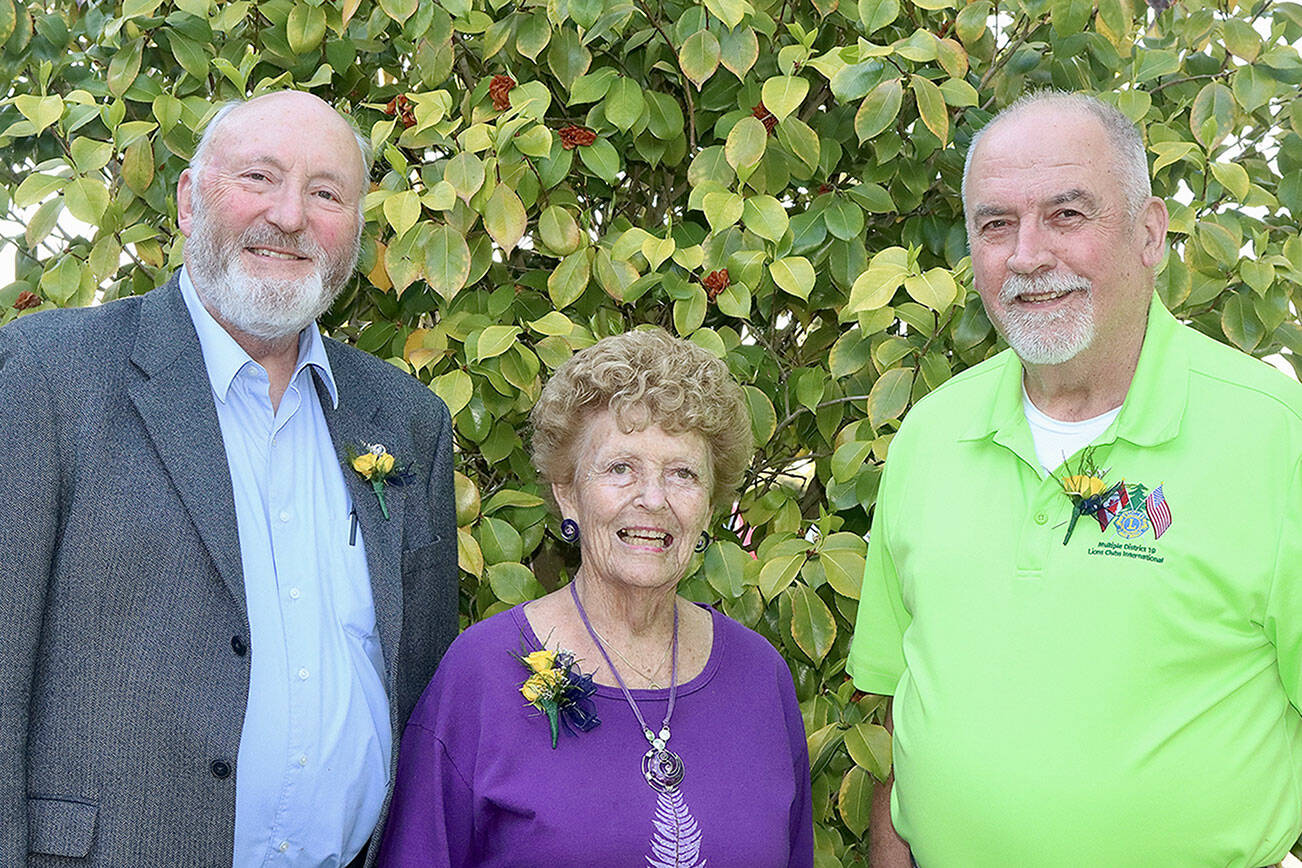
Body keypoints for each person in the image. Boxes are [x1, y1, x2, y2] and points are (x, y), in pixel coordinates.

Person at [0, 91, 459, 867]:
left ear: (355, 227)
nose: (289, 216)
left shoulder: (405, 420)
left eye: (325, 193)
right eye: (258, 177)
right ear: (188, 199)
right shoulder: (49, 377)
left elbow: (419, 691)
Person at [848, 89, 1302, 868]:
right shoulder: (929, 434)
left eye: (1066, 215)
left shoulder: (1275, 435)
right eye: (996, 225)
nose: (1027, 255)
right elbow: (899, 709)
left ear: (1150, 232)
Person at [376, 328, 813, 867]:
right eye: (620, 468)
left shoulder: (760, 678)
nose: (652, 500)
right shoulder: (481, 677)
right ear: (568, 492)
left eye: (682, 474)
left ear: (709, 506)